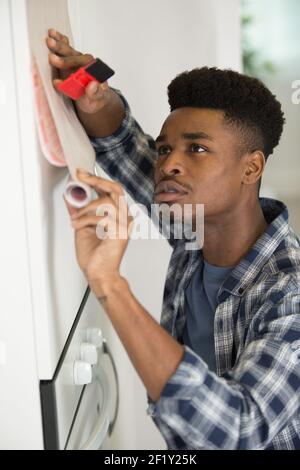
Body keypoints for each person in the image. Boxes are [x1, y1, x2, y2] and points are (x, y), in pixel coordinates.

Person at [46, 29, 300, 450]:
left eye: (197, 149)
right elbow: (124, 145)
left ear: (251, 168)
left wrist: (110, 284)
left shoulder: (288, 294)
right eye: (165, 150)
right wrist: (97, 96)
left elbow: (240, 432)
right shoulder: (195, 226)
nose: (169, 166)